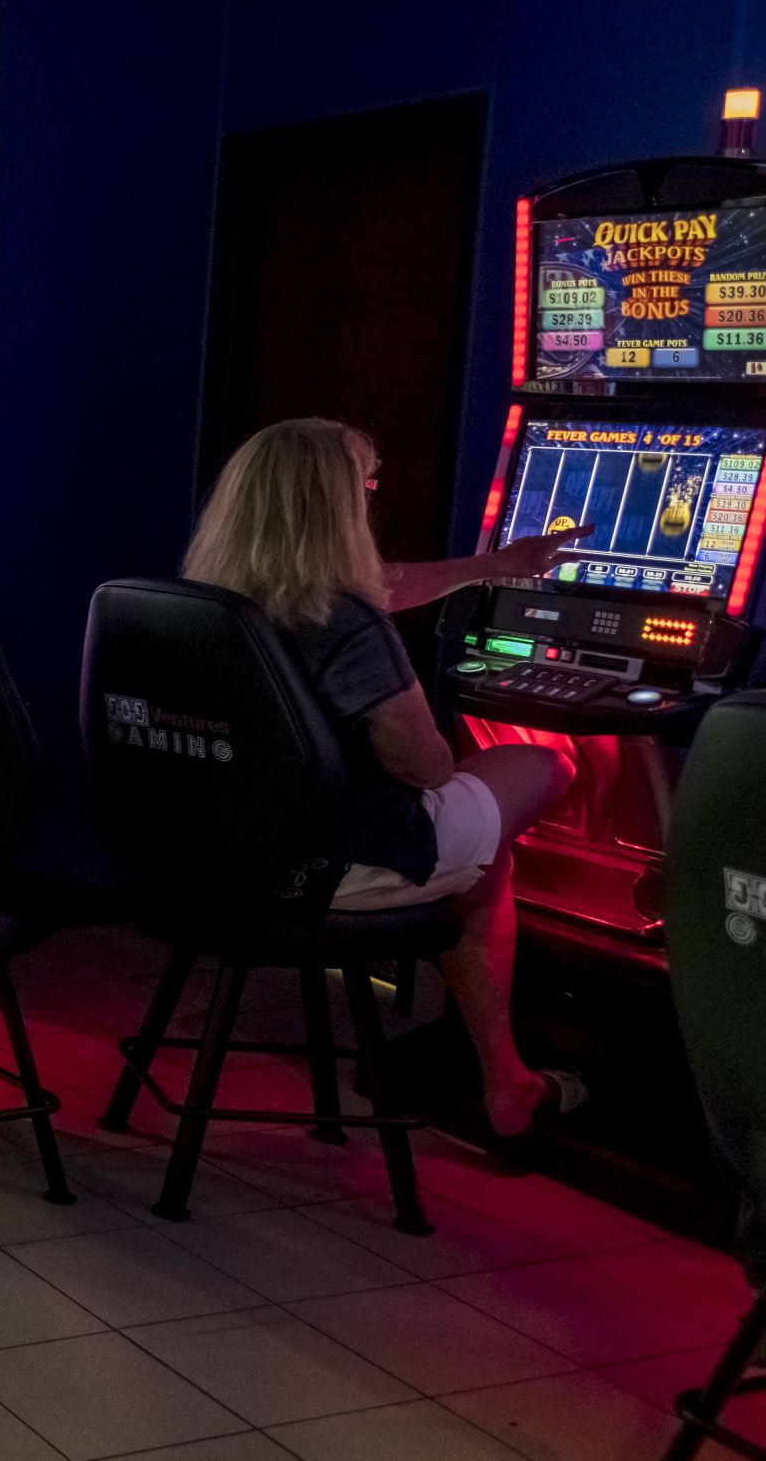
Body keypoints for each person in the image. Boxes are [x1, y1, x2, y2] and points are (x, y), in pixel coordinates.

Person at [184, 417, 590, 1140]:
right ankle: (511, 1076)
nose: (373, 498)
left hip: (221, 858)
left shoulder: (211, 601)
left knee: (482, 844)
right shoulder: (345, 623)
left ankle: (500, 1061)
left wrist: (494, 565)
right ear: (334, 503)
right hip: (331, 865)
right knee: (551, 763)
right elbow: (426, 766)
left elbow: (384, 585)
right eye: (366, 484)